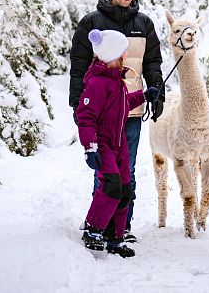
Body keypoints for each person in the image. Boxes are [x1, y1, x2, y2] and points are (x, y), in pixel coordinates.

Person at [69, 0, 164, 242]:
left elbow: (153, 62)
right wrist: (78, 104)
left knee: (128, 172)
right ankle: (98, 225)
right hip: (102, 113)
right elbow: (78, 66)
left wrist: (156, 91)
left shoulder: (144, 24)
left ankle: (122, 228)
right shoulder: (92, 22)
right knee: (104, 170)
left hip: (131, 109)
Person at [77, 29, 159, 257]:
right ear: (110, 55)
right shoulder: (97, 83)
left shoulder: (116, 80)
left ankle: (116, 236)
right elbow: (86, 117)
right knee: (111, 185)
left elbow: (123, 104)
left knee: (124, 189)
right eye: (121, 53)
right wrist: (90, 147)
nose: (124, 56)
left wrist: (144, 95)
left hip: (119, 142)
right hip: (103, 144)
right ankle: (93, 229)